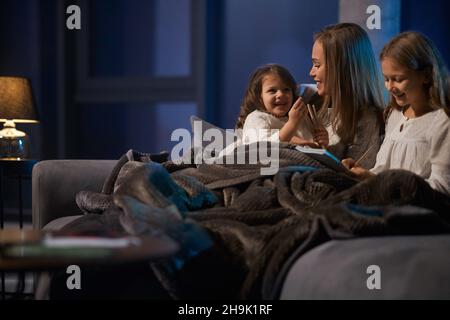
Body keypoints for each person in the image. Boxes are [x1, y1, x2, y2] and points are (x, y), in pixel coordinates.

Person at [342, 31, 450, 196]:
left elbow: (442, 188)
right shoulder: (394, 114)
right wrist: (363, 174)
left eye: (398, 79)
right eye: (386, 79)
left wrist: (381, 183)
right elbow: (383, 171)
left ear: (426, 76)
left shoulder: (442, 121)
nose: (389, 87)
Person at [309, 22, 386, 169]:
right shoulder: (315, 104)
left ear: (342, 70)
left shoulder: (369, 122)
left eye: (317, 65)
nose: (311, 72)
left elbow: (350, 176)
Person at [235, 63, 328, 148]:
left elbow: (316, 148)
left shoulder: (302, 118)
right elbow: (261, 148)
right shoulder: (256, 118)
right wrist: (292, 124)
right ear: (259, 97)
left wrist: (323, 142)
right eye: (272, 90)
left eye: (286, 90)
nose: (281, 94)